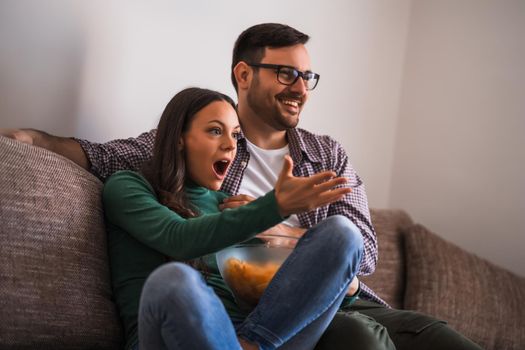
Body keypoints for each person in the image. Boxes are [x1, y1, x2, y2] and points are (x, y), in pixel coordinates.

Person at [1, 23, 482, 350]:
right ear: (245, 74)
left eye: (308, 76)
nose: (301, 86)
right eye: (287, 72)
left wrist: (275, 231)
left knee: (424, 323)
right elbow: (103, 158)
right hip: (265, 318)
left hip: (327, 297)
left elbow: (362, 257)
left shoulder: (326, 154)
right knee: (182, 282)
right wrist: (28, 138)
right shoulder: (149, 177)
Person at [105, 86, 363, 350]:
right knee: (172, 280)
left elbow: (279, 285)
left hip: (257, 335)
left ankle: (251, 343)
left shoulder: (229, 205)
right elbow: (178, 237)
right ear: (179, 138)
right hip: (172, 337)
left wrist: (346, 279)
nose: (231, 145)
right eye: (215, 131)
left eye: (236, 135)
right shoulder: (128, 188)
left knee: (343, 233)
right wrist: (274, 205)